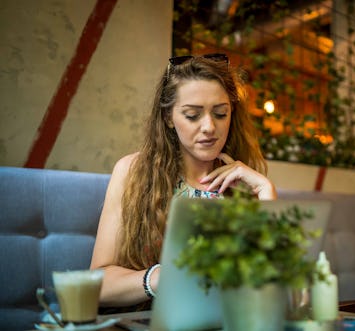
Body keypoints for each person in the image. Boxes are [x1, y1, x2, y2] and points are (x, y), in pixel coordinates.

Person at [90, 53, 277, 309]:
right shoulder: (132, 171)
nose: (209, 127)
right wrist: (159, 277)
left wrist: (266, 194)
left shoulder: (241, 185)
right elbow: (97, 284)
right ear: (168, 117)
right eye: (192, 115)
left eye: (221, 114)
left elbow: (269, 292)